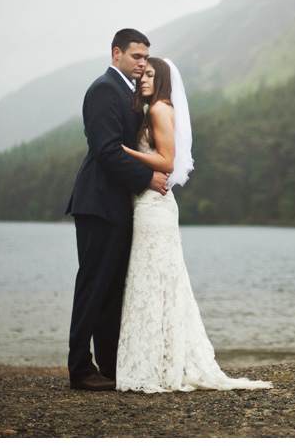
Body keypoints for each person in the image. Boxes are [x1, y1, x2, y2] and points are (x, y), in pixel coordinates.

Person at [114, 57, 272, 393]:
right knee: (159, 281)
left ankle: (157, 363)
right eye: (142, 74)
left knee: (153, 279)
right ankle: (164, 359)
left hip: (155, 208)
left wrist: (129, 153)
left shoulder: (158, 109)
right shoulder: (154, 109)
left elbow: (167, 161)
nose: (144, 79)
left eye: (151, 75)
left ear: (164, 80)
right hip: (150, 205)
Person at [65, 29, 169, 391]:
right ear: (116, 54)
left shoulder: (129, 93)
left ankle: (108, 367)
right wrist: (148, 178)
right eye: (136, 57)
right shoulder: (103, 90)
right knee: (93, 286)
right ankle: (80, 368)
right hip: (99, 203)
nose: (142, 63)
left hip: (118, 206)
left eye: (145, 58)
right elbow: (107, 150)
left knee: (111, 291)